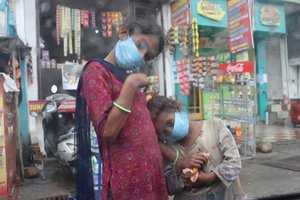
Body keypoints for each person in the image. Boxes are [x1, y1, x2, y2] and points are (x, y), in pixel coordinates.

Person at [74, 19, 168, 200]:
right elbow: (108, 131)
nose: (141, 56)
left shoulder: (127, 79)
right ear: (124, 33)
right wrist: (131, 85)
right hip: (126, 183)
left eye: (147, 55)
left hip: (149, 177)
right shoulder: (96, 70)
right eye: (140, 45)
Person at [147, 95, 246, 200]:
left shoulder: (215, 126)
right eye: (164, 132)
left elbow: (234, 163)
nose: (170, 131)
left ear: (178, 110)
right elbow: (169, 187)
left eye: (170, 123)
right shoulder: (169, 150)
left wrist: (209, 178)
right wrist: (183, 173)